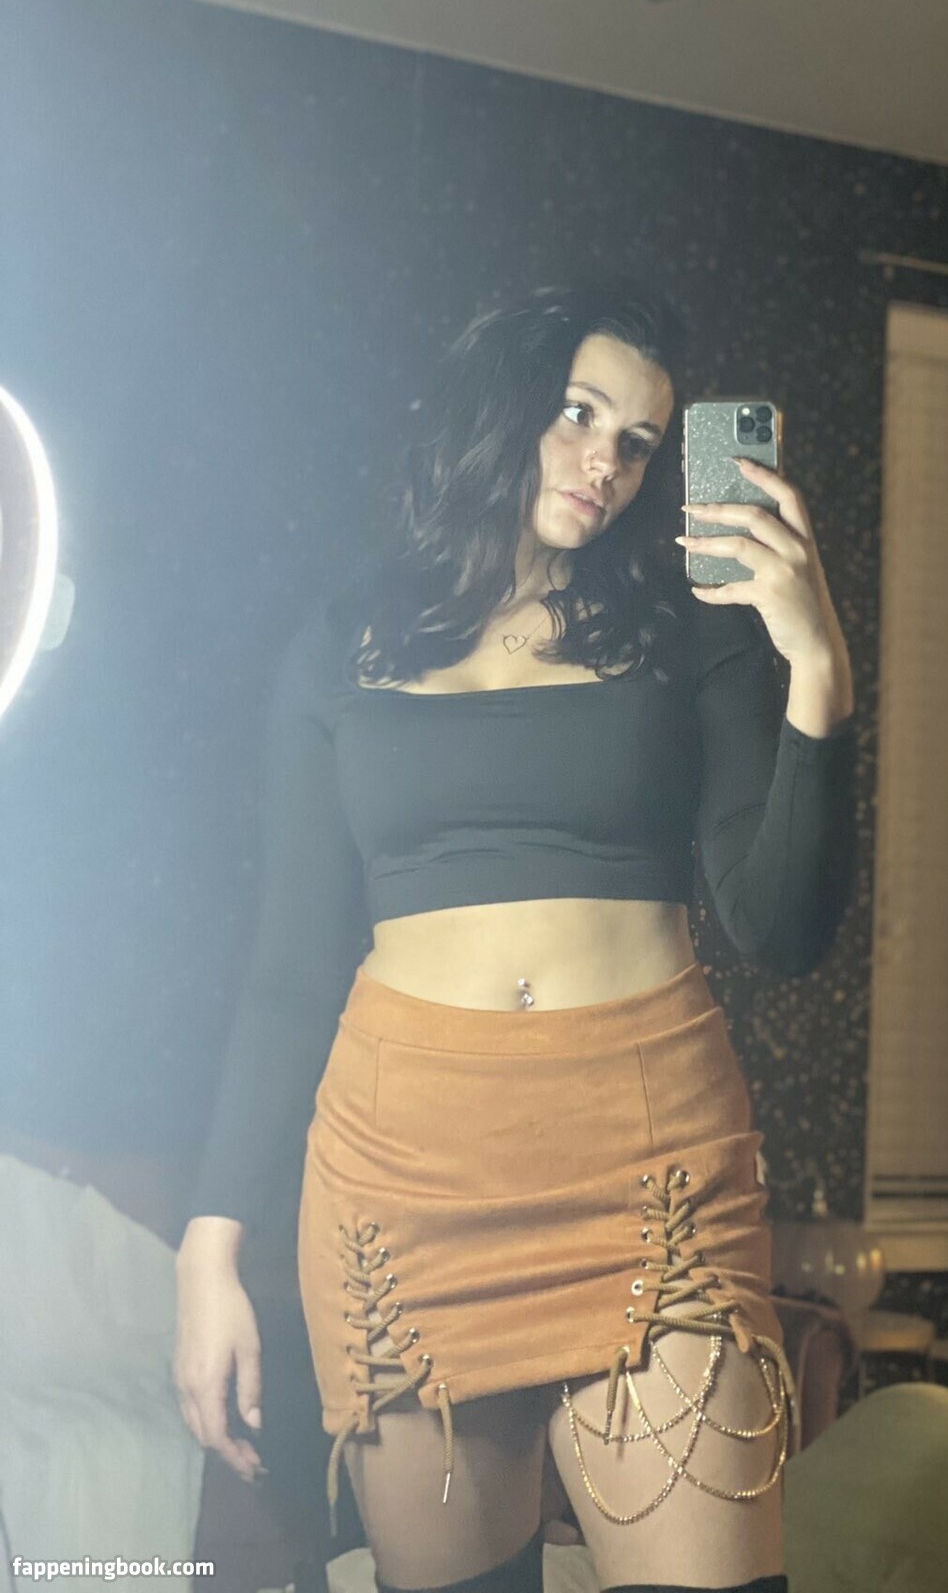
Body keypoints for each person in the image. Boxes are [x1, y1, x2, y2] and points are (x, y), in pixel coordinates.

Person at [172, 286, 858, 1593]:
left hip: (650, 1167)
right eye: (579, 415)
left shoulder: (692, 629)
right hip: (405, 1181)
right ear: (504, 406)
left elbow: (780, 927)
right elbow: (290, 971)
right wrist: (213, 1249)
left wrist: (817, 665)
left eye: (640, 442)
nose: (607, 462)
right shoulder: (342, 646)